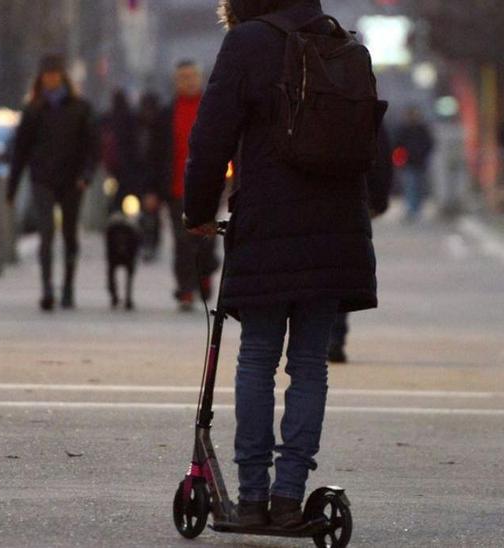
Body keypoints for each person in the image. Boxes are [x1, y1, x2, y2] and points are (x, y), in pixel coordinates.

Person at [184, 0, 384, 529]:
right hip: (336, 231)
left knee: (257, 358)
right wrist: (373, 205)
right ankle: (291, 496)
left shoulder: (248, 42)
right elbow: (371, 140)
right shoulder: (347, 45)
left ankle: (252, 497)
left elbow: (211, 135)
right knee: (310, 364)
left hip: (268, 224)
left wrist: (198, 211)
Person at [7, 54, 98, 312]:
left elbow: (92, 147)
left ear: (62, 76)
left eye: (55, 74)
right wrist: (12, 187)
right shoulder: (33, 109)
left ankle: (68, 286)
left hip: (72, 180)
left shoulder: (80, 107)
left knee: (69, 234)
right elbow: (20, 151)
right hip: (43, 178)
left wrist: (86, 176)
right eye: (47, 75)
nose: (51, 79)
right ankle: (47, 287)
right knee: (46, 233)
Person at [329, 127, 394, 364]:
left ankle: (314, 337)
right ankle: (334, 337)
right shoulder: (359, 96)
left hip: (301, 201)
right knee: (339, 271)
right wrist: (378, 200)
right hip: (351, 202)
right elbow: (380, 155)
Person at [161, 60, 220, 311]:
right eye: (183, 77)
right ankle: (185, 289)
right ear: (176, 81)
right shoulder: (167, 113)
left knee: (206, 238)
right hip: (176, 188)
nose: (188, 81)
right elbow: (157, 152)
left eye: (192, 76)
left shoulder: (213, 109)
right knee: (182, 241)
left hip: (208, 185)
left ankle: (204, 275)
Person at [99, 89, 145, 214]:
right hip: (131, 172)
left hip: (114, 172)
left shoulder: (107, 119)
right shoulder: (133, 119)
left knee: (114, 204)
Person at [136, 92, 169, 263]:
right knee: (146, 215)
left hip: (154, 177)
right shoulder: (136, 125)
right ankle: (146, 242)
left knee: (152, 215)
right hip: (141, 176)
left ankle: (151, 243)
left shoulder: (158, 126)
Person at [395, 106, 434, 223]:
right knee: (410, 186)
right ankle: (412, 210)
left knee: (418, 187)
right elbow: (397, 145)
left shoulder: (421, 130)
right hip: (409, 163)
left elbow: (429, 144)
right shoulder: (404, 130)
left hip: (420, 163)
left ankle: (416, 209)